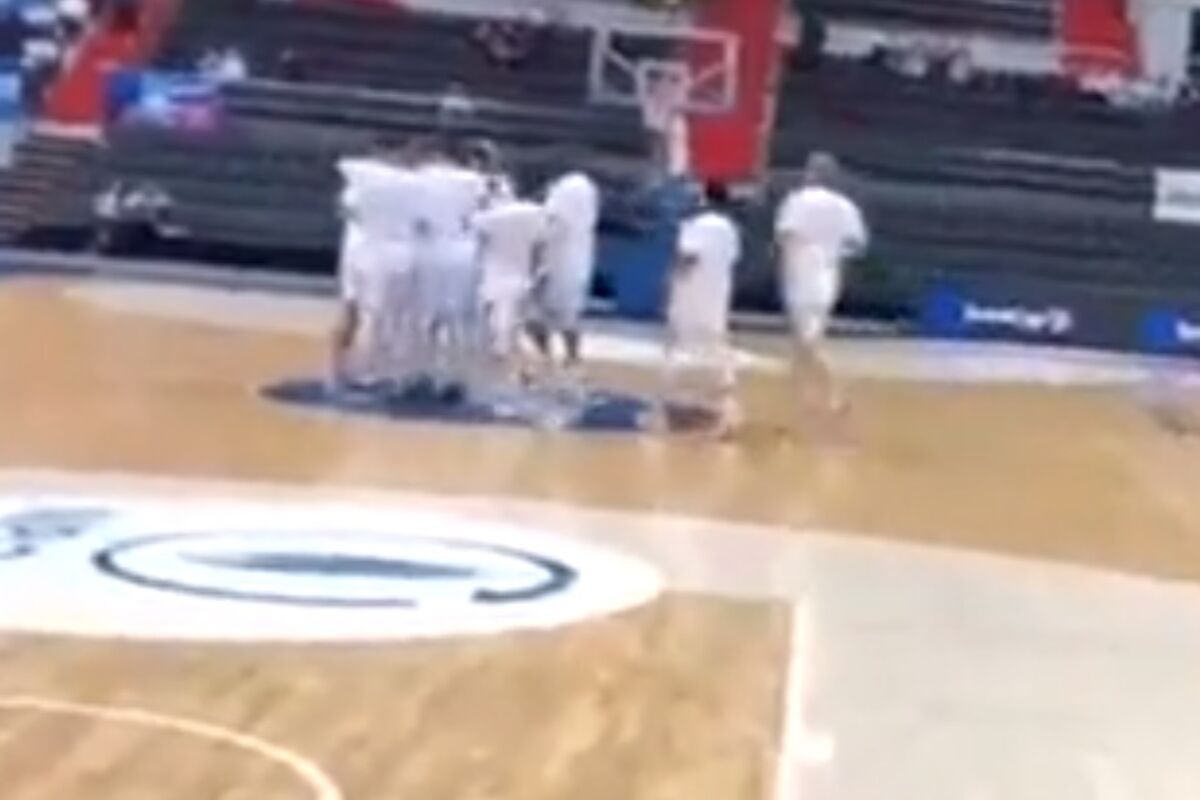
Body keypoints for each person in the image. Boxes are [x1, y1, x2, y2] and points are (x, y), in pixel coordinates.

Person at [774, 152, 868, 438]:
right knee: (804, 344)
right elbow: (857, 246)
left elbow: (786, 238)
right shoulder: (846, 206)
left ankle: (837, 394)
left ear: (811, 173)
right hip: (828, 277)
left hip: (801, 275)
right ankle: (804, 410)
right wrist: (833, 253)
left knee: (807, 343)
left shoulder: (797, 201)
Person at [653, 181, 742, 439]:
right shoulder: (730, 230)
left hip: (690, 295)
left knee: (676, 346)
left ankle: (666, 407)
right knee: (716, 349)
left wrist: (668, 283)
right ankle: (726, 408)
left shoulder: (697, 226)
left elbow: (687, 258)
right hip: (717, 295)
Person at [413, 145, 489, 399]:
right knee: (459, 319)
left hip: (433, 250)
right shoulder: (474, 181)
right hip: (463, 251)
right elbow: (482, 214)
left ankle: (425, 373)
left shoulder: (423, 177)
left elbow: (415, 218)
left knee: (429, 317)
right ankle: (456, 378)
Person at [527, 170, 600, 387]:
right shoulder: (584, 217)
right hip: (572, 266)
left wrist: (536, 262)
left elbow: (543, 235)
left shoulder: (561, 211)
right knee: (556, 317)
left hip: (557, 266)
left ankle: (559, 361)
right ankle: (564, 361)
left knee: (545, 317)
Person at [473, 197, 550, 392]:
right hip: (521, 279)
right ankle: (530, 369)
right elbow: (540, 248)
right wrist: (537, 274)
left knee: (500, 331)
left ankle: (520, 372)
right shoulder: (534, 214)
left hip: (496, 280)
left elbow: (478, 242)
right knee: (512, 329)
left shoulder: (492, 217)